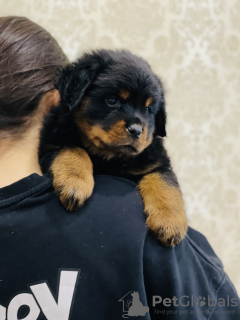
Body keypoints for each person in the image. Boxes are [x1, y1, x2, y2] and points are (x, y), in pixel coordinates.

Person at [0, 16, 239, 320]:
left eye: (148, 110)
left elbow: (157, 170)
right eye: (113, 100)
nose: (136, 124)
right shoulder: (135, 229)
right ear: (57, 101)